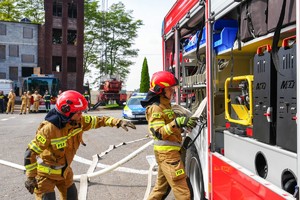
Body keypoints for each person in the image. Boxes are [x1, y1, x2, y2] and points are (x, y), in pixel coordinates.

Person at [24, 90, 136, 199]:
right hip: (45, 177)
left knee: (72, 196)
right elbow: (30, 152)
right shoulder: (49, 129)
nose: (81, 114)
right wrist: (30, 177)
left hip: (65, 173)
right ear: (66, 111)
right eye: (78, 112)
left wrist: (118, 122)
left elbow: (99, 120)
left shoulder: (79, 121)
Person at [141, 71, 198, 200]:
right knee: (182, 191)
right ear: (160, 90)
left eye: (173, 89)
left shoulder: (165, 106)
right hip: (168, 156)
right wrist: (176, 123)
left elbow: (170, 126)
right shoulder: (155, 108)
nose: (173, 92)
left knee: (161, 190)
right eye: (170, 89)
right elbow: (158, 133)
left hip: (169, 154)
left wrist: (181, 122)